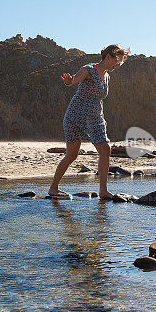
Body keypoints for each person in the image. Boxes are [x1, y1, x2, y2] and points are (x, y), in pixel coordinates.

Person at [48, 44, 128, 200]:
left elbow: (99, 99)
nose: (117, 66)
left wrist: (102, 117)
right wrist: (69, 81)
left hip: (94, 118)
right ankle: (53, 188)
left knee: (105, 150)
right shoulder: (89, 69)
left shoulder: (107, 76)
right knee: (71, 155)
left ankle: (103, 190)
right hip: (75, 116)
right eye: (116, 61)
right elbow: (74, 80)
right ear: (108, 56)